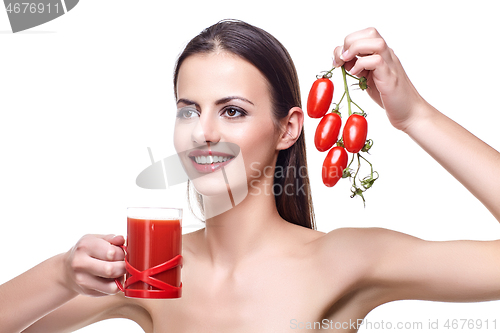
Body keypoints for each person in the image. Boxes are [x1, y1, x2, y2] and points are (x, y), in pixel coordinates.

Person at [1, 19, 500, 333]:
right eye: (187, 110)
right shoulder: (151, 269)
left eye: (233, 111)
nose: (203, 132)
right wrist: (60, 275)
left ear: (287, 129)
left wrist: (415, 116)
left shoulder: (345, 259)